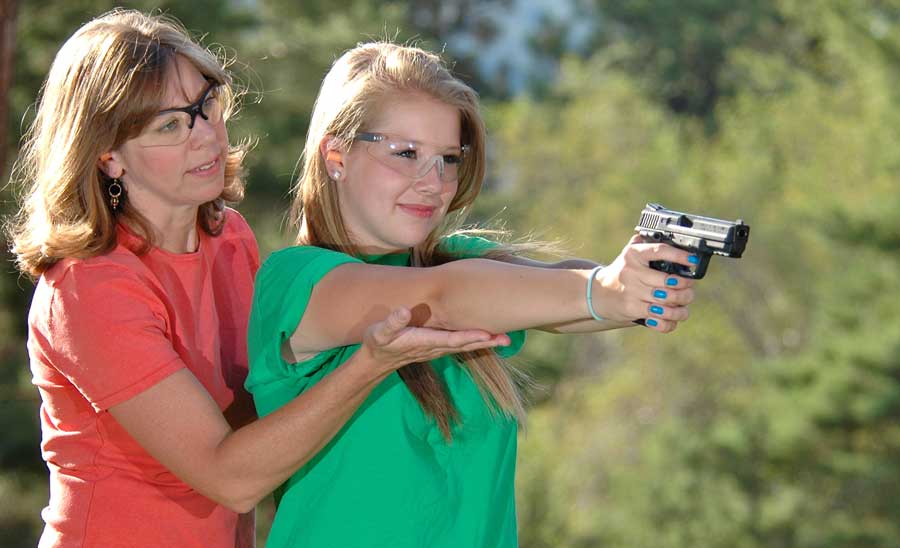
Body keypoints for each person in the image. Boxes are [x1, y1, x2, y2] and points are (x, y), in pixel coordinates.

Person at [7, 11, 505, 548]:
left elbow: (269, 401)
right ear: (107, 157)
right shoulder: (87, 289)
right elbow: (230, 478)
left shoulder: (228, 238)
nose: (207, 137)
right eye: (170, 126)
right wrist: (370, 362)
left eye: (206, 107)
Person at [246, 41, 700, 547]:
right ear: (337, 156)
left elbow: (555, 291)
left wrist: (632, 284)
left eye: (448, 159)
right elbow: (439, 299)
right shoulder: (297, 280)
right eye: (406, 154)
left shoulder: (457, 260)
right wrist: (606, 289)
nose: (433, 182)